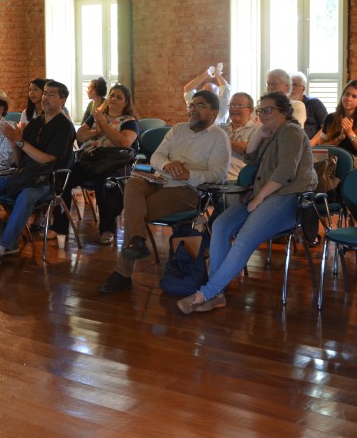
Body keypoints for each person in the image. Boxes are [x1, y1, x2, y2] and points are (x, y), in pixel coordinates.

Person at [177, 92, 317, 314]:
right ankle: (217, 294)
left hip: (287, 196)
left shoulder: (291, 131)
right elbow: (250, 159)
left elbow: (286, 172)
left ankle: (205, 293)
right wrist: (261, 132)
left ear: (283, 112)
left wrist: (260, 198)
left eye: (267, 110)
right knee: (221, 225)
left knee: (244, 239)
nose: (262, 114)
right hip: (262, 195)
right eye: (261, 110)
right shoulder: (271, 134)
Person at [98, 90, 230, 294]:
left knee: (136, 214)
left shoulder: (219, 137)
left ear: (214, 112)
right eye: (192, 105)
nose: (193, 109)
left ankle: (123, 271)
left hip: (188, 190)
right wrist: (167, 165)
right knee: (133, 183)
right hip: (160, 180)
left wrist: (188, 174)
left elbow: (218, 175)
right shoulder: (178, 129)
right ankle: (137, 241)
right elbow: (156, 157)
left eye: (200, 105)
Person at [0, 80, 76, 271]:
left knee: (26, 195)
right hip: (22, 175)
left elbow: (47, 160)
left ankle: (0, 249)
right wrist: (13, 142)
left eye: (51, 94)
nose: (45, 98)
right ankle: (3, 237)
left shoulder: (65, 127)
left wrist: (19, 142)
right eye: (45, 93)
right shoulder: (35, 124)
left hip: (46, 181)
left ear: (63, 99)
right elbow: (19, 161)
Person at [49, 84, 139, 245]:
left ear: (126, 103)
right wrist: (96, 131)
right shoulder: (96, 115)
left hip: (112, 163)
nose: (114, 99)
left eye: (119, 97)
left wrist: (104, 126)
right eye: (112, 95)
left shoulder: (129, 121)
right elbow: (80, 136)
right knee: (64, 178)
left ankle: (107, 229)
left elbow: (124, 142)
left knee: (104, 183)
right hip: (90, 159)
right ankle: (59, 226)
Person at [220, 92, 261, 182]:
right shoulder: (221, 128)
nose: (234, 109)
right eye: (231, 105)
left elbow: (248, 149)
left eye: (239, 106)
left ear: (250, 110)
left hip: (238, 180)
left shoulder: (258, 129)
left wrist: (222, 139)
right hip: (215, 177)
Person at [316, 79, 357, 153]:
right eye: (347, 94)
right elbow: (321, 146)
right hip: (333, 162)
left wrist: (350, 132)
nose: (348, 99)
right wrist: (339, 138)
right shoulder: (330, 118)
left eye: (354, 96)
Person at [290, 72, 328, 141]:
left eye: (294, 85)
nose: (291, 88)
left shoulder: (314, 103)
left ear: (303, 89)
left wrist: (311, 144)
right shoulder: (284, 106)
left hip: (312, 146)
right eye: (289, 84)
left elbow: (326, 127)